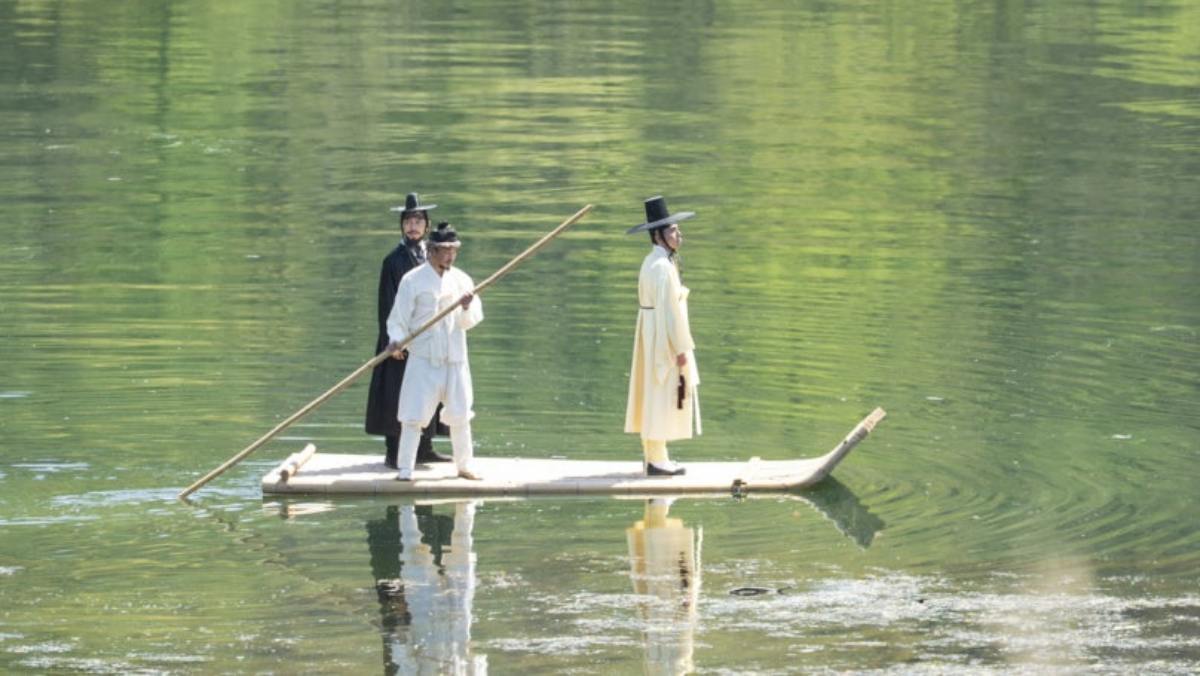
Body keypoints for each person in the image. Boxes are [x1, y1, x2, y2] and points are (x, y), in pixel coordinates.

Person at [386, 222, 484, 481]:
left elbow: (470, 321)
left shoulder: (462, 280)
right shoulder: (413, 280)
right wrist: (396, 340)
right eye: (444, 250)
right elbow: (398, 319)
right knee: (413, 415)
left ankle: (465, 466)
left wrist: (465, 307)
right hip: (424, 359)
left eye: (454, 250)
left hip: (455, 358)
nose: (450, 255)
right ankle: (405, 468)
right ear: (431, 250)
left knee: (461, 414)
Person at [365, 192, 451, 468]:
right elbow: (387, 305)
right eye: (408, 221)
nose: (413, 226)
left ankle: (424, 447)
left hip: (427, 338)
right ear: (402, 226)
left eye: (418, 221)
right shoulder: (393, 261)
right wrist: (395, 340)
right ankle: (393, 451)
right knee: (397, 393)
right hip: (400, 338)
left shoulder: (433, 256)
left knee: (427, 390)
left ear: (426, 225)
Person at [624, 195, 701, 476]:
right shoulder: (662, 267)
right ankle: (656, 460)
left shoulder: (653, 263)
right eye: (672, 231)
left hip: (651, 332)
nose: (678, 234)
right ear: (658, 236)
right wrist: (680, 349)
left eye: (677, 230)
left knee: (656, 394)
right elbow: (670, 313)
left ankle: (655, 456)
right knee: (664, 393)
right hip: (661, 336)